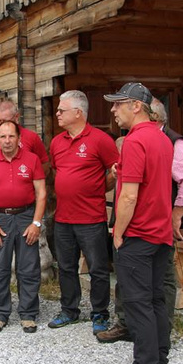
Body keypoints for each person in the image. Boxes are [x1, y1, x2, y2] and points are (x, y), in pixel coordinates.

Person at [98, 98, 183, 344]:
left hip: (150, 226)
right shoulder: (151, 139)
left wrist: (176, 215)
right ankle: (144, 341)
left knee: (154, 291)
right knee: (136, 288)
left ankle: (152, 348)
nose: (113, 111)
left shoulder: (168, 141)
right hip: (144, 223)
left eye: (118, 105)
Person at [104, 83, 173, 364]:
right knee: (157, 301)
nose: (113, 110)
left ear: (136, 106)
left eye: (118, 104)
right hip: (161, 233)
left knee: (138, 305)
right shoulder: (162, 139)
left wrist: (117, 233)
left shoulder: (133, 142)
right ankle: (159, 362)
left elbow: (129, 197)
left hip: (139, 233)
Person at [47, 90, 118, 334]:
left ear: (78, 113)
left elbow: (115, 172)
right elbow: (58, 173)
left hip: (91, 218)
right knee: (66, 267)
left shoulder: (100, 140)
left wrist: (99, 185)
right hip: (63, 218)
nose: (57, 114)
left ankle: (100, 313)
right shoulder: (57, 142)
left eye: (61, 110)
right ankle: (69, 310)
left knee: (98, 269)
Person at [0, 121, 46, 333]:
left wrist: (36, 223)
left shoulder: (32, 160)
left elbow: (41, 193)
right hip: (0, 219)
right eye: (3, 137)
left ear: (19, 139)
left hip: (26, 217)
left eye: (11, 137)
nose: (7, 141)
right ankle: (0, 313)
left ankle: (28, 313)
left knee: (29, 268)